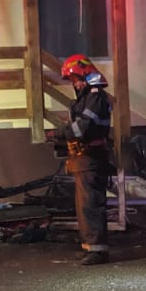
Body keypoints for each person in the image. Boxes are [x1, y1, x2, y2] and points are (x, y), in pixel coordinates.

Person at [59, 54, 114, 265]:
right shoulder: (86, 98)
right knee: (84, 206)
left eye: (75, 78)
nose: (74, 84)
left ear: (85, 74)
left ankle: (98, 250)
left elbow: (84, 127)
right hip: (85, 159)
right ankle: (90, 247)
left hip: (92, 158)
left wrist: (62, 132)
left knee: (91, 205)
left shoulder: (95, 96)